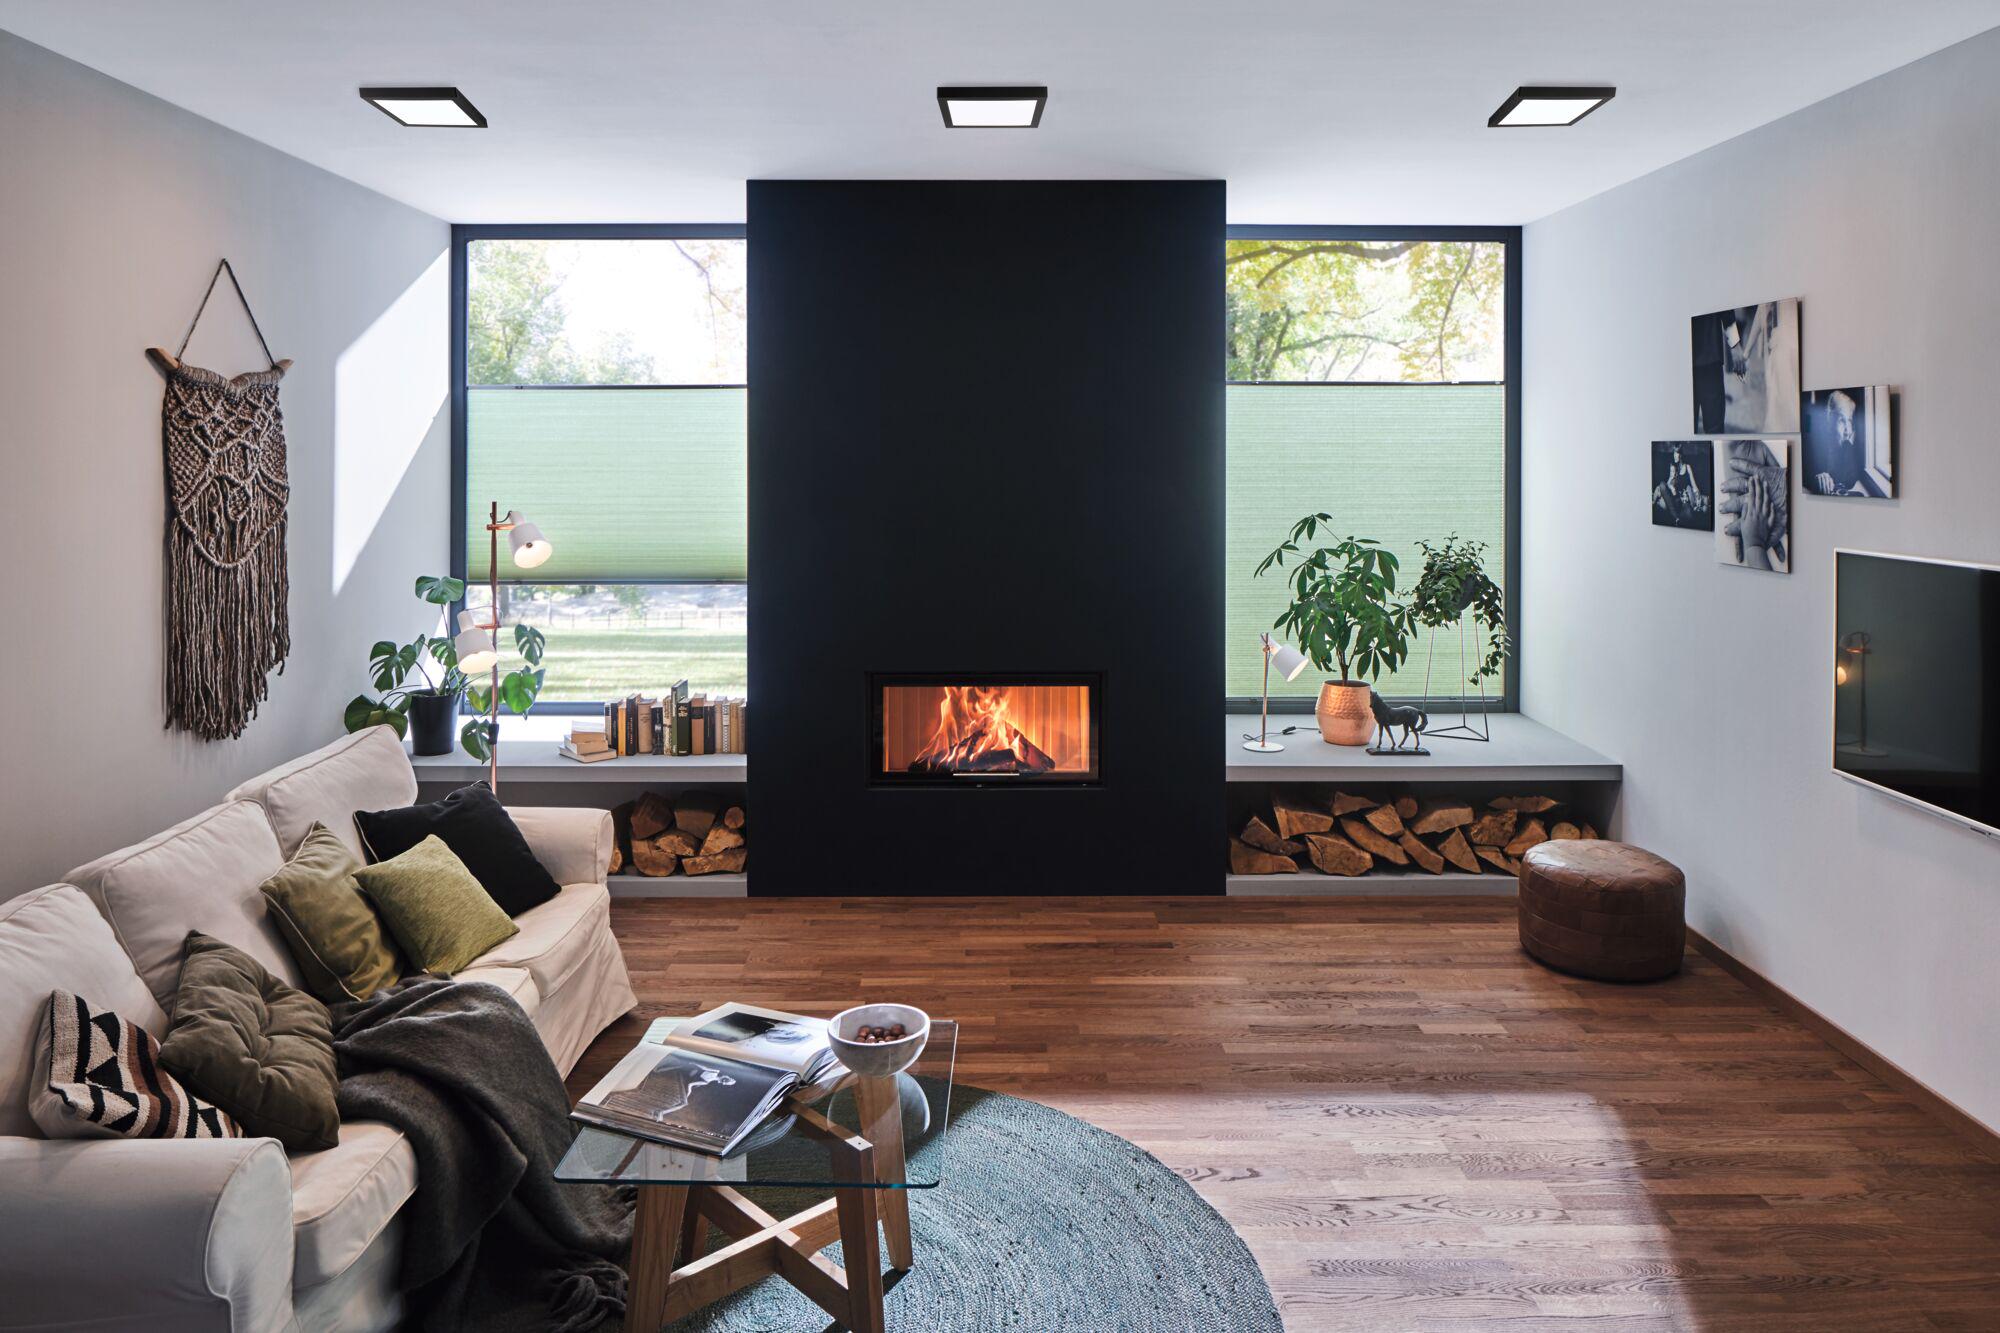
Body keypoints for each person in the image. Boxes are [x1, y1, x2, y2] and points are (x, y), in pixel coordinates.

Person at [1808, 389, 1873, 496]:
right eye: (1842, 420)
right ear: (1829, 421)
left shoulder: (1849, 449)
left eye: (1850, 421)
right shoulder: (1813, 447)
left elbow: (1851, 481)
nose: (1848, 430)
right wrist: (1817, 478)